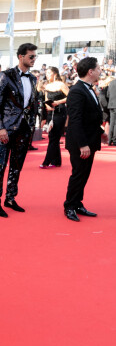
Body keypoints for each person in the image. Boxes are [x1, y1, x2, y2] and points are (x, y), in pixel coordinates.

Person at [0, 43, 39, 218]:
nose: (34, 59)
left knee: (17, 165)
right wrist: (0, 127)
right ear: (21, 56)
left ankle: (10, 198)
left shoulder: (33, 79)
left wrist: (32, 123)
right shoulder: (5, 76)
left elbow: (33, 104)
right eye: (31, 56)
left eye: (35, 56)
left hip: (25, 128)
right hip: (7, 128)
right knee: (0, 165)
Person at [63, 57, 108, 222]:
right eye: (98, 68)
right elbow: (75, 120)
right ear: (90, 71)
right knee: (78, 174)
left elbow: (92, 117)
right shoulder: (77, 90)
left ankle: (77, 203)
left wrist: (101, 131)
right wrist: (82, 144)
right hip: (80, 142)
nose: (100, 71)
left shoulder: (88, 88)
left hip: (90, 139)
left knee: (84, 174)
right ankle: (69, 206)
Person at [40, 66, 70, 169]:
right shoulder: (48, 86)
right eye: (46, 73)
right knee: (53, 137)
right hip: (51, 113)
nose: (47, 75)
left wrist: (58, 102)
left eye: (49, 73)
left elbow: (70, 97)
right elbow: (46, 99)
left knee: (53, 137)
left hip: (60, 112)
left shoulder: (61, 84)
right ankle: (57, 161)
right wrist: (48, 106)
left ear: (55, 74)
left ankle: (46, 161)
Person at [106, 76, 116, 145]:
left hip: (111, 104)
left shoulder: (111, 83)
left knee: (112, 122)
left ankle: (109, 140)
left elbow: (108, 94)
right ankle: (115, 140)